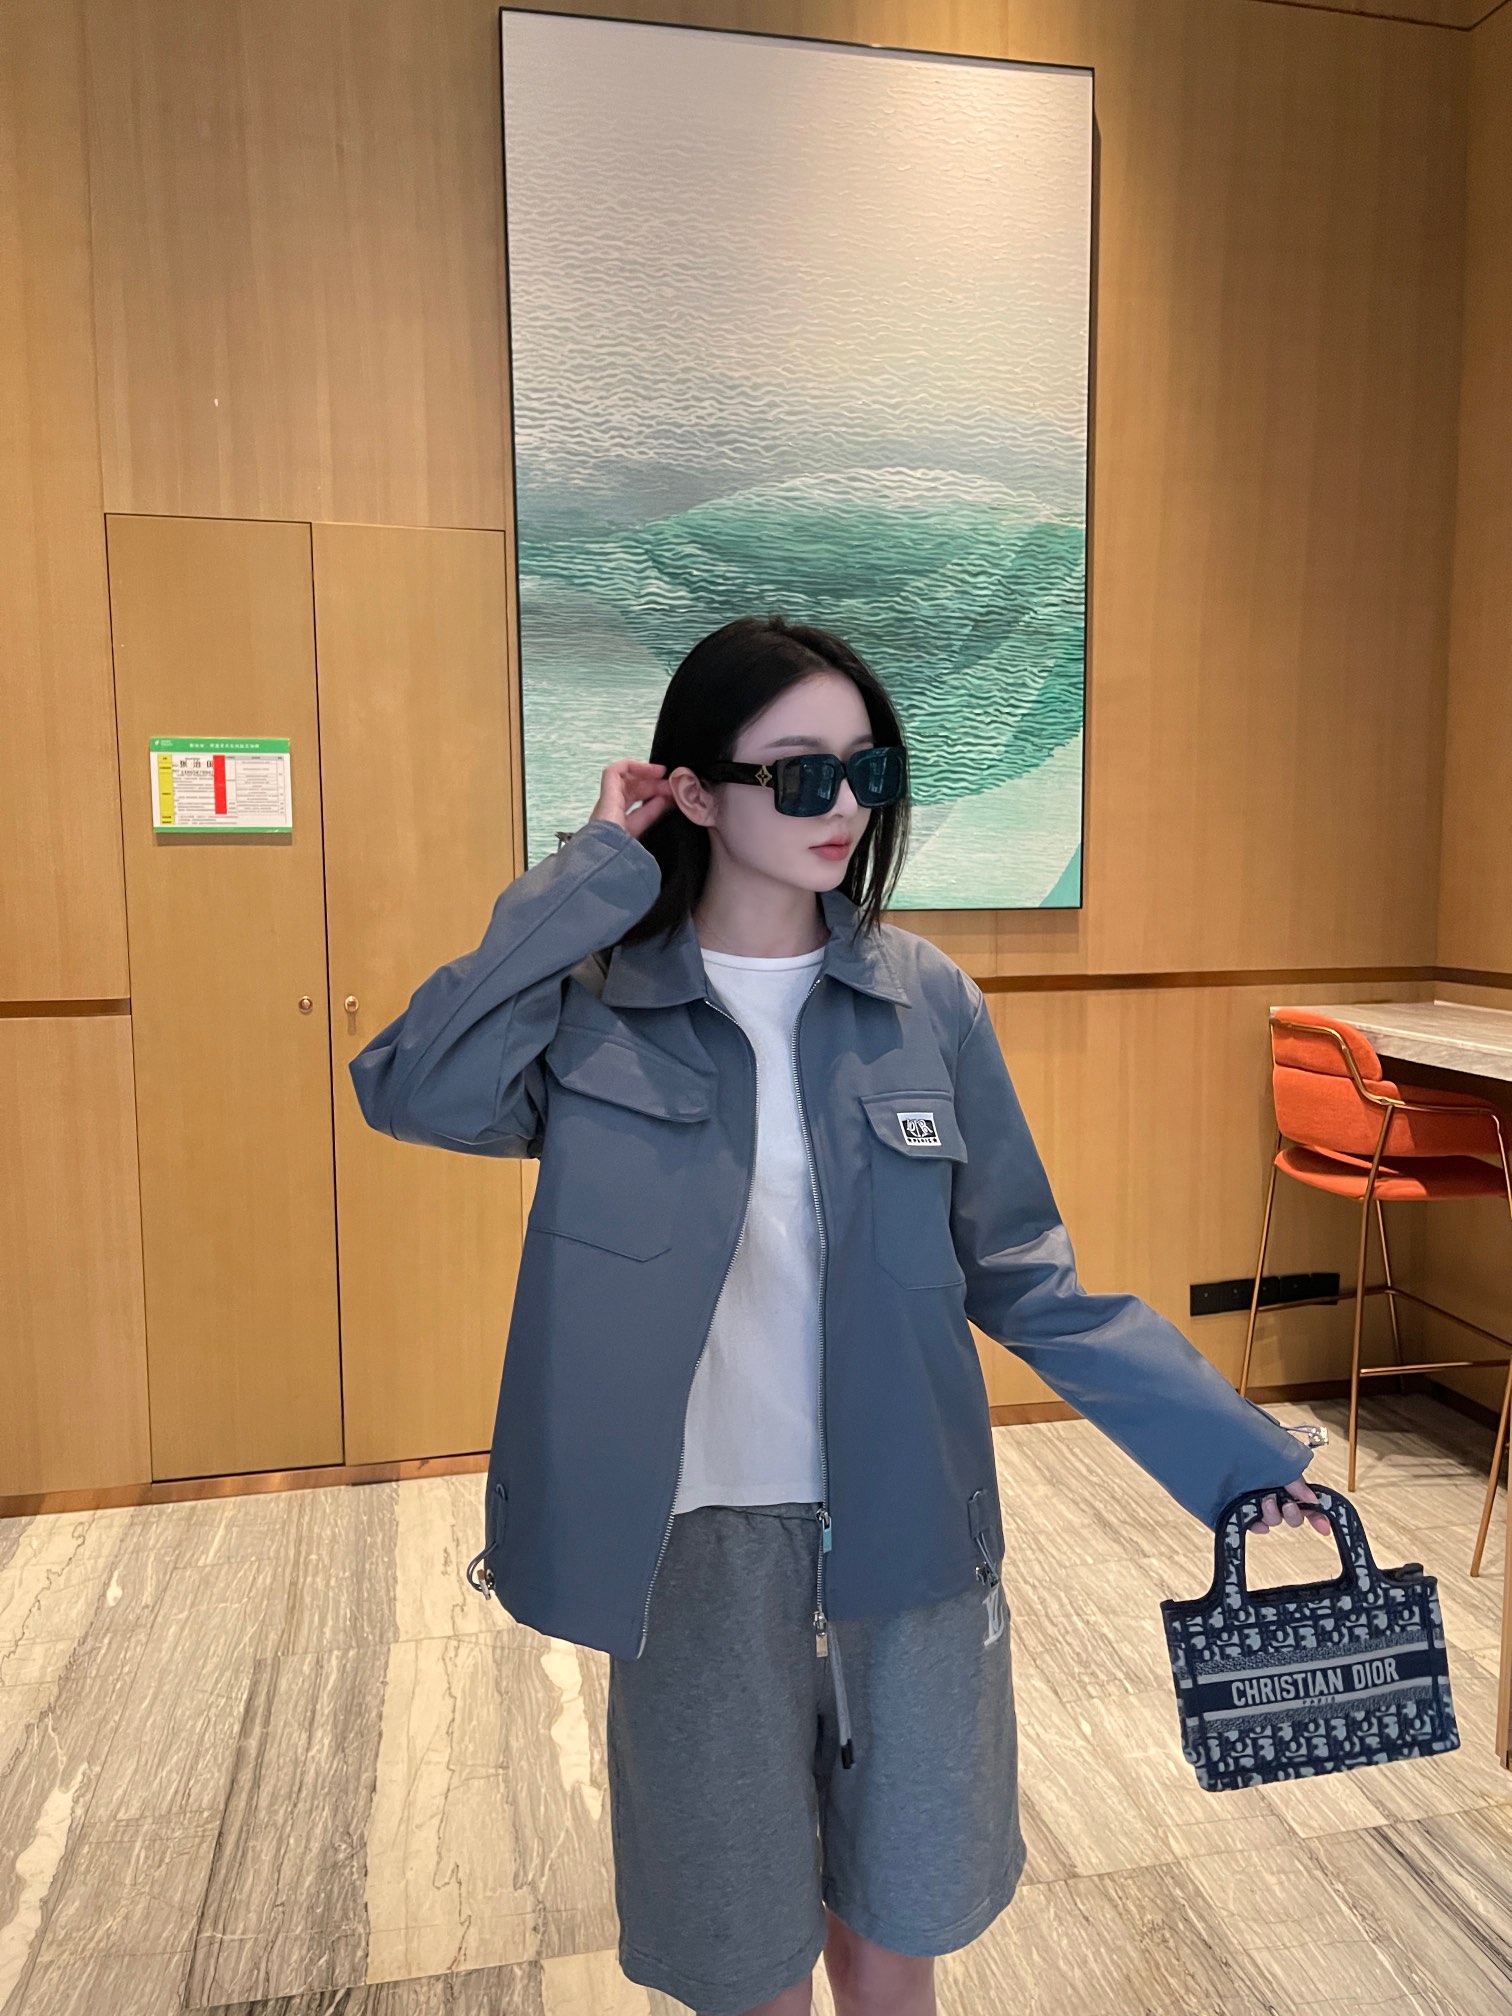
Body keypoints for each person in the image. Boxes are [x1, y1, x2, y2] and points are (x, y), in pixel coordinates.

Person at [350, 614, 1324, 2016]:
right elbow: (411, 1086)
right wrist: (592, 873)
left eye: (867, 771)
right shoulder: (596, 1007)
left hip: (911, 1545)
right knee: (746, 1968)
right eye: (802, 774)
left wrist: (1233, 1455)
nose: (846, 806)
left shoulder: (926, 1001)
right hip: (690, 1554)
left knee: (893, 1944)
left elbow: (1026, 1271)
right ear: (694, 792)